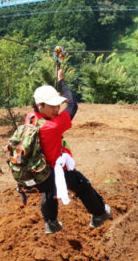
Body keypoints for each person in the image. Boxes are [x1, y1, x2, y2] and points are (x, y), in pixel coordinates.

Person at [31, 68, 111, 234]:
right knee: (81, 185)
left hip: (40, 171)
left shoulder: (31, 118)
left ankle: (51, 223)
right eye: (53, 106)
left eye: (58, 104)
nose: (57, 109)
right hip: (54, 170)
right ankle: (99, 214)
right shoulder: (53, 126)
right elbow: (73, 105)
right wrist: (62, 81)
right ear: (41, 105)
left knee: (50, 189)